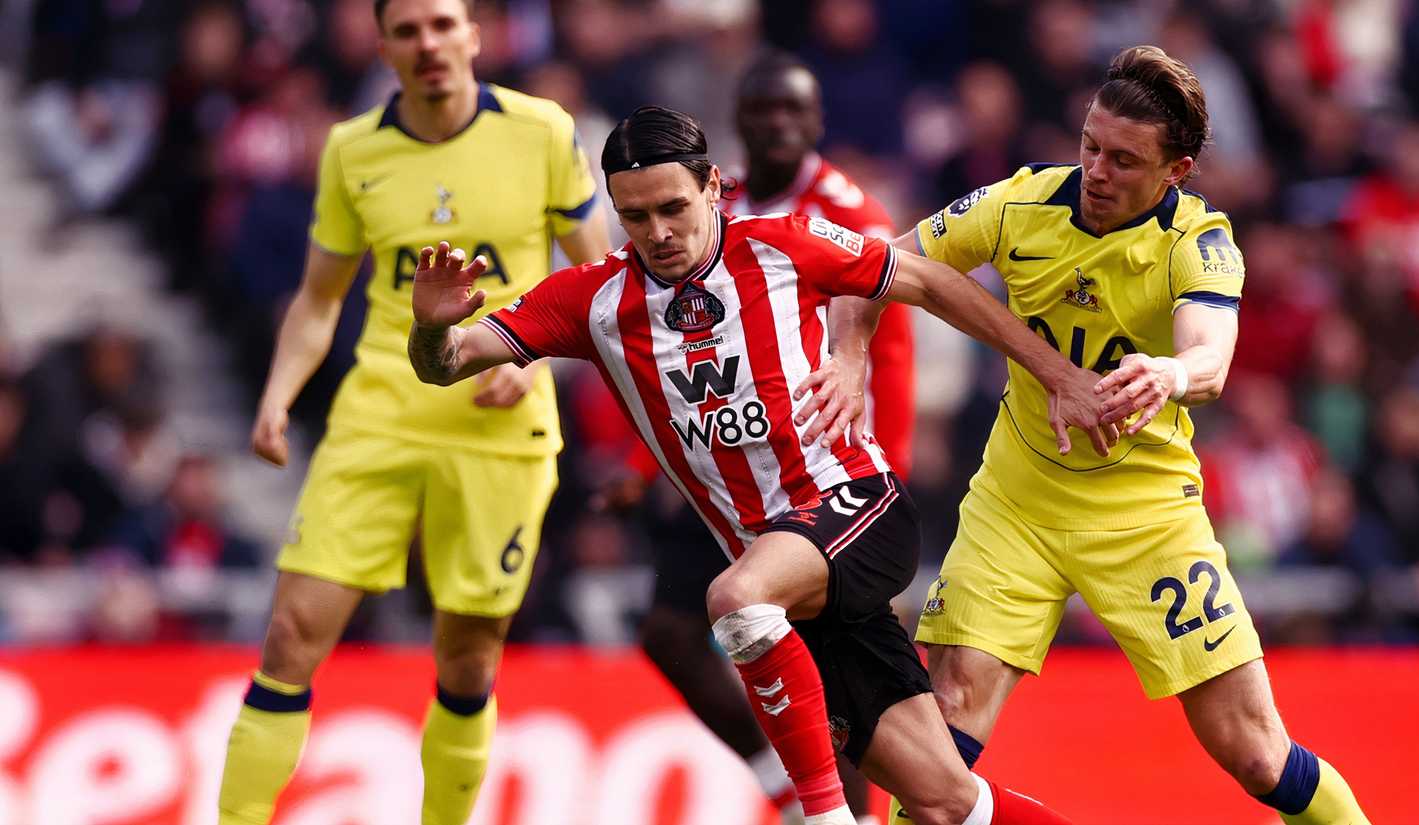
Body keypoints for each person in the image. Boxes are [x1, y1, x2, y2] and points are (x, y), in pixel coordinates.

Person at [408, 105, 1103, 825]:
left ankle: (822, 819)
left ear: (714, 186)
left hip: (856, 509)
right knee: (945, 803)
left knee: (733, 598)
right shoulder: (593, 299)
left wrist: (1059, 376)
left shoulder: (786, 245)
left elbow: (928, 282)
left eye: (674, 207)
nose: (658, 233)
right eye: (635, 216)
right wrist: (431, 329)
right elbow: (449, 364)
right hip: (784, 588)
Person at [872, 46, 1371, 824]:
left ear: (1177, 169)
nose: (1098, 171)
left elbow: (1210, 355)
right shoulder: (1018, 204)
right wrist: (843, 359)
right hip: (1018, 501)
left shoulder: (1197, 241)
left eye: (1125, 160)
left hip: (1146, 516)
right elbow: (886, 265)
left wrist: (1170, 373)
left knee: (1253, 751)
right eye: (1090, 146)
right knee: (946, 724)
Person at [216, 2, 609, 824]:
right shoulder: (351, 149)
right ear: (384, 44)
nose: (427, 44)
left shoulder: (542, 132)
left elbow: (603, 284)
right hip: (379, 417)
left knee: (467, 658)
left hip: (499, 426)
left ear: (476, 34)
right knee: (290, 635)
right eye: (408, 30)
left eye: (442, 24)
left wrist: (534, 356)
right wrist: (278, 395)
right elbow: (319, 299)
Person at [604, 52, 912, 824]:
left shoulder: (844, 209)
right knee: (668, 632)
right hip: (724, 471)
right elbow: (683, 355)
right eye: (763, 110)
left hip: (823, 472)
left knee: (825, 663)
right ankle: (782, 780)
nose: (778, 123)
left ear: (816, 123)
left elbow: (889, 336)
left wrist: (887, 467)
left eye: (793, 111)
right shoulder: (699, 204)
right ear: (734, 127)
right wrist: (648, 467)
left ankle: (852, 809)